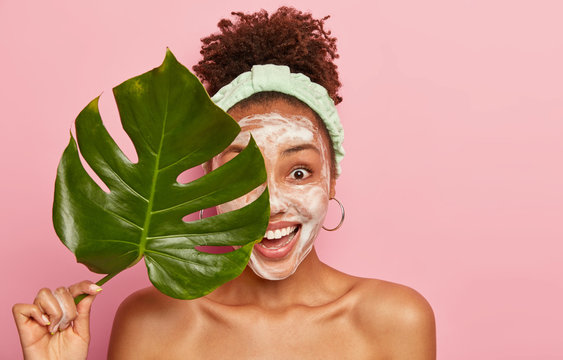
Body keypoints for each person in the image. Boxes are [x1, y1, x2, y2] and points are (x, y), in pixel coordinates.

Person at [12, 6, 436, 359]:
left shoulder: (396, 321)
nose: (271, 204)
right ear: (211, 177)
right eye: (245, 170)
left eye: (299, 172)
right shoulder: (150, 323)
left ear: (333, 180)